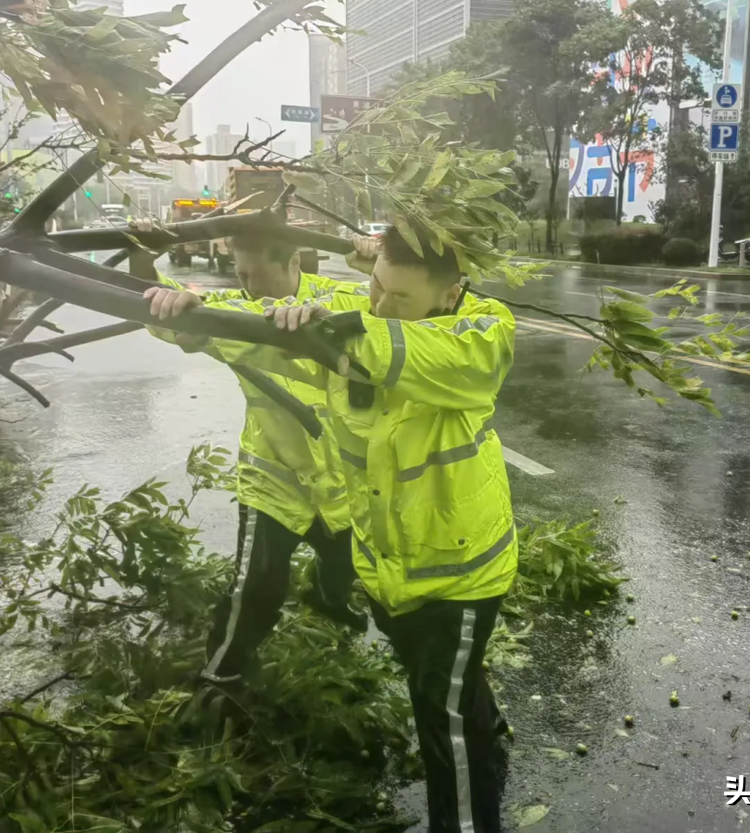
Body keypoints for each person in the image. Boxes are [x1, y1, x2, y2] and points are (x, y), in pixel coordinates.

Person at [145, 228, 516, 833]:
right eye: (374, 286)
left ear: (449, 296)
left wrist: (331, 331)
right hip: (390, 571)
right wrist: (189, 320)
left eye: (397, 297)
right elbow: (255, 337)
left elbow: (400, 349)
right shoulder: (352, 326)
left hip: (459, 575)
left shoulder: (483, 333)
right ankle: (489, 726)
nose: (377, 303)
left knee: (442, 731)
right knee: (444, 688)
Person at [148, 233, 366, 690]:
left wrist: (373, 260)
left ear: (291, 260)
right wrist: (162, 292)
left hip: (342, 484)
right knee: (255, 590)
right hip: (274, 479)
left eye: (255, 275)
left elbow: (401, 313)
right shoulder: (237, 309)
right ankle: (221, 674)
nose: (247, 287)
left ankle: (330, 600)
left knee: (345, 566)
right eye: (240, 275)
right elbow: (175, 315)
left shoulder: (337, 300)